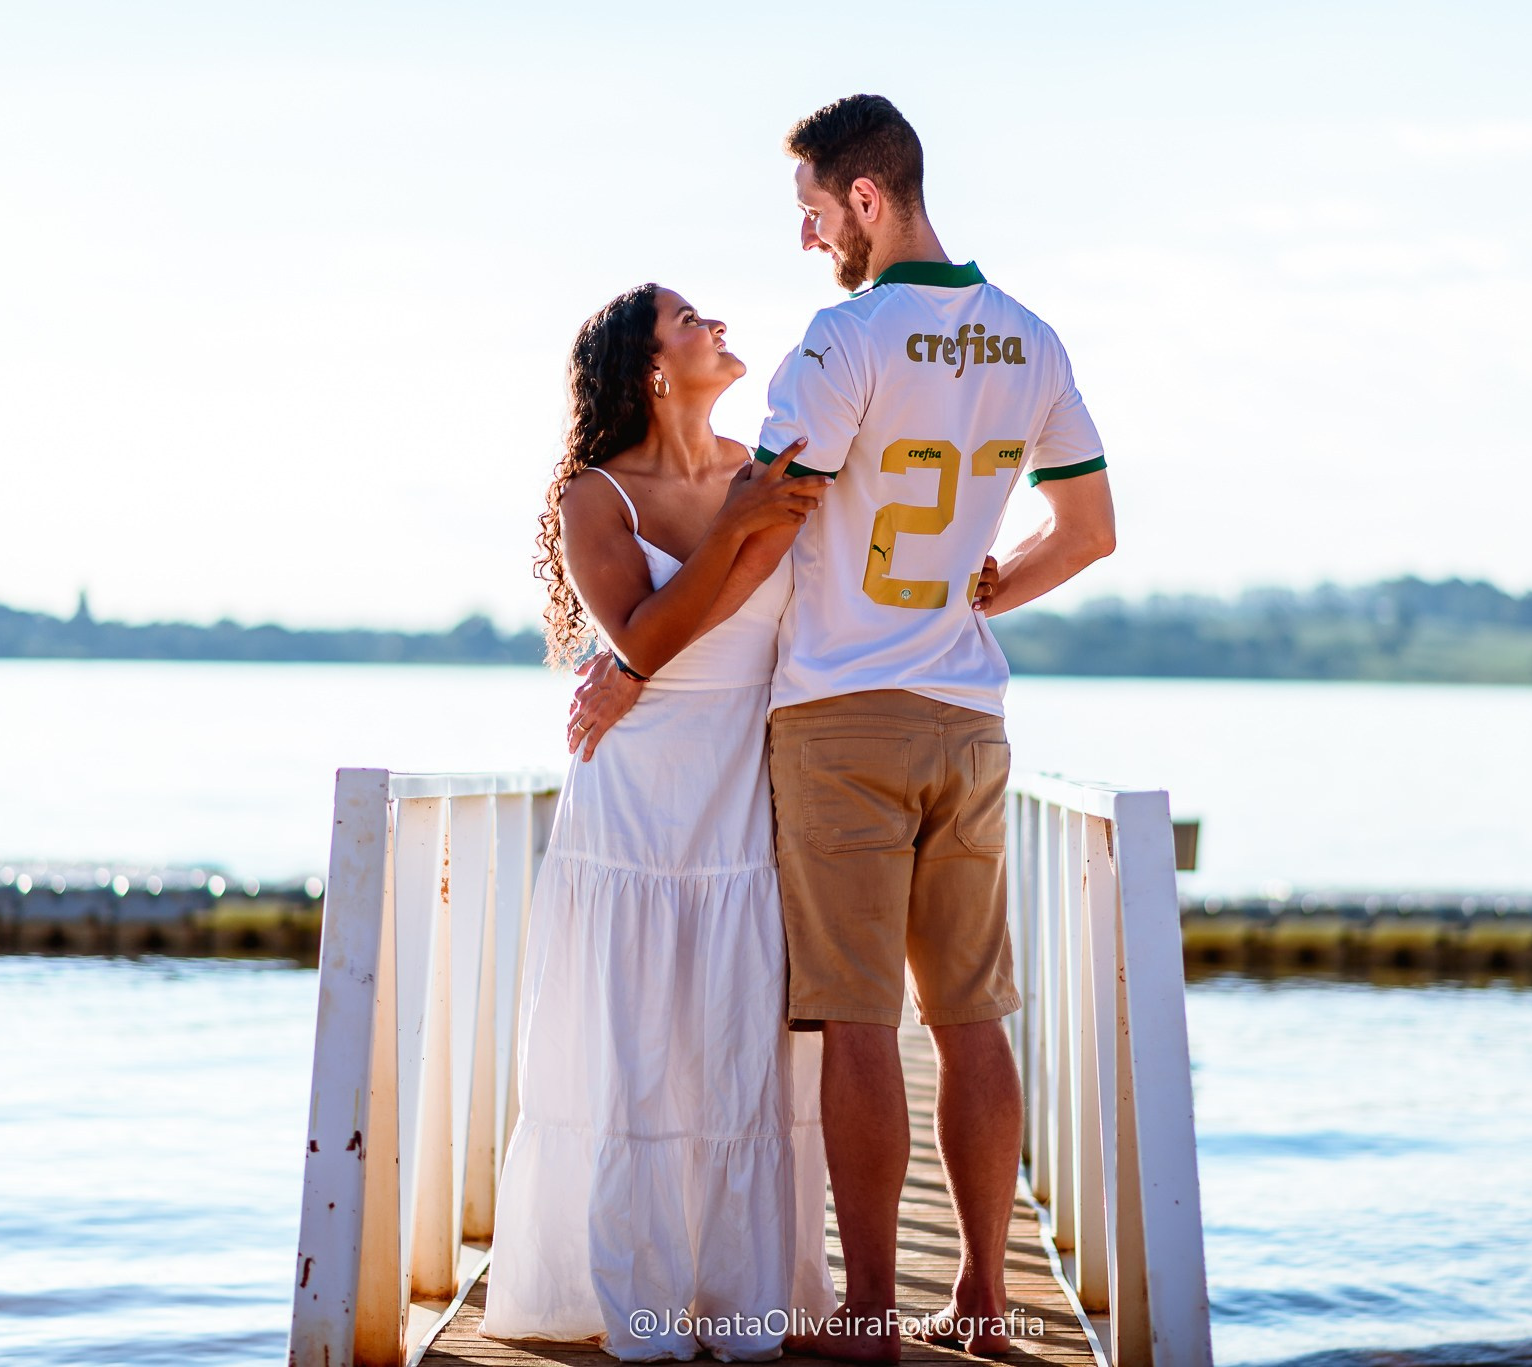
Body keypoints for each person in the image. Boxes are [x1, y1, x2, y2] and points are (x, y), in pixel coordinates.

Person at [570, 95, 1118, 1363]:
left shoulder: (842, 338)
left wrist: (627, 650)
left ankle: (869, 1319)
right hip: (967, 712)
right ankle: (982, 1299)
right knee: (973, 1014)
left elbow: (764, 511)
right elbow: (1087, 533)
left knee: (861, 1022)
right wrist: (989, 585)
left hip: (838, 718)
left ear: (865, 200)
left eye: (816, 213)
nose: (812, 241)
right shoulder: (1030, 340)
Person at [478, 283, 838, 1362]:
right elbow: (645, 625)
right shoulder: (593, 495)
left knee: (734, 1043)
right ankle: (637, 1308)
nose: (718, 325)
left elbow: (680, 625)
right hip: (632, 801)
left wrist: (632, 656)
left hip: (739, 791)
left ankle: (738, 1302)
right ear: (647, 365)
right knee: (637, 1046)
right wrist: (639, 644)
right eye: (691, 320)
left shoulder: (763, 465)